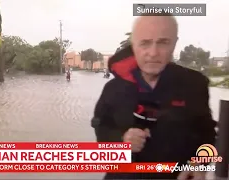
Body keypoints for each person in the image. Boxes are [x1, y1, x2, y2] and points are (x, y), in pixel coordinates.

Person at [91, 13, 217, 179]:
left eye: (163, 42)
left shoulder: (195, 85)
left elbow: (208, 134)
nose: (153, 53)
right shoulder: (113, 89)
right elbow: (101, 128)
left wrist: (198, 166)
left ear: (174, 43)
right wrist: (121, 141)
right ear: (134, 45)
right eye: (145, 43)